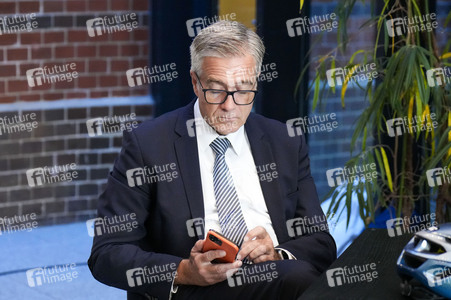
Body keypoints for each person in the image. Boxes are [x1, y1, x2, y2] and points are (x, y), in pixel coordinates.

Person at [88, 20, 336, 300]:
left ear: (256, 81)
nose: (230, 105)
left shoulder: (284, 141)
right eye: (216, 89)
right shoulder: (148, 145)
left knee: (299, 276)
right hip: (194, 292)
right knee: (300, 279)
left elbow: (321, 243)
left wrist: (277, 254)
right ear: (195, 82)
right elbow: (106, 253)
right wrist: (183, 271)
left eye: (243, 89)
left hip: (278, 279)